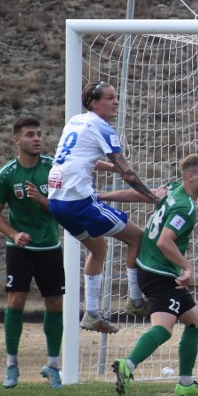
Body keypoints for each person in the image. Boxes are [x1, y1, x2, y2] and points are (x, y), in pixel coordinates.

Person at [48, 81, 162, 334]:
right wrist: (153, 198)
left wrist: (111, 167)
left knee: (98, 247)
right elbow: (129, 174)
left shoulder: (75, 122)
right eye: (110, 98)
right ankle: (134, 301)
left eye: (116, 97)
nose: (116, 102)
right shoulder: (103, 127)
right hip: (79, 202)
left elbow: (78, 159)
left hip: (57, 202)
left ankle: (91, 314)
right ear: (94, 103)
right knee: (138, 238)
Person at [107, 154, 198, 396]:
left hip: (152, 269)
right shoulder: (184, 206)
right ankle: (127, 365)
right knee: (164, 328)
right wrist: (187, 267)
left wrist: (102, 196)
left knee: (194, 321)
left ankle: (185, 384)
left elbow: (141, 194)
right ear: (190, 176)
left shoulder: (173, 188)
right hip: (160, 273)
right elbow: (165, 242)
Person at [0, 117, 65, 389]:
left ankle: (53, 366)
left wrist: (44, 201)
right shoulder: (7, 174)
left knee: (55, 304)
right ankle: (12, 366)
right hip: (20, 248)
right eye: (30, 134)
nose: (37, 138)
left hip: (50, 247)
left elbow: (64, 207)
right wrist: (13, 234)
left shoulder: (53, 168)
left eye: (39, 134)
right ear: (17, 140)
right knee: (16, 301)